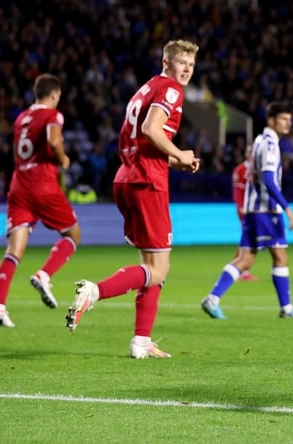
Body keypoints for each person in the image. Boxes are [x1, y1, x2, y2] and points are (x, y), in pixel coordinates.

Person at [64, 39, 201, 359]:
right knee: (159, 269)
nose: (187, 70)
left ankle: (141, 341)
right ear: (166, 63)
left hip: (128, 177)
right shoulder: (170, 90)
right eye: (181, 63)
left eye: (191, 65)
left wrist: (174, 160)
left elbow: (141, 141)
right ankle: (94, 291)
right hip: (147, 183)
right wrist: (180, 152)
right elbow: (152, 129)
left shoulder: (146, 88)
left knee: (151, 266)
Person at [200, 102, 293, 320]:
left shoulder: (259, 141)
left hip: (254, 209)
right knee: (280, 256)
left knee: (246, 259)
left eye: (290, 119)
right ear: (271, 120)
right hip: (266, 210)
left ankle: (213, 298)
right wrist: (287, 209)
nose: (288, 123)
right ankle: (287, 309)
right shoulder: (270, 145)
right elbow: (269, 180)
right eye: (283, 119)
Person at [0, 73, 81, 327]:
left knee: (14, 251)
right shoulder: (53, 115)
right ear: (54, 94)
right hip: (43, 184)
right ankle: (44, 274)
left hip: (19, 186)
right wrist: (62, 158)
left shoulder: (21, 118)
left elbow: (20, 151)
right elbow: (54, 139)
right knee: (73, 234)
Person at [231, 146, 257, 282]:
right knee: (248, 237)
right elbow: (238, 190)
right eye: (249, 152)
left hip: (255, 208)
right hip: (245, 208)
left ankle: (236, 266)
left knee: (248, 237)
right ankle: (239, 268)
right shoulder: (241, 170)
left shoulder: (257, 169)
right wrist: (240, 205)